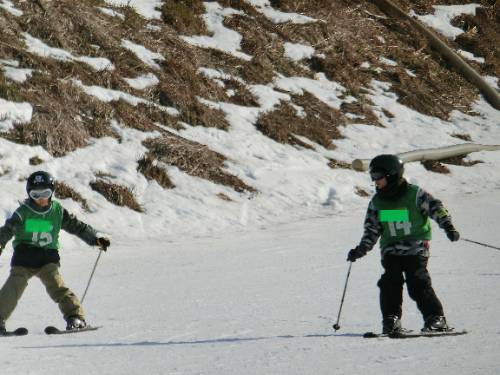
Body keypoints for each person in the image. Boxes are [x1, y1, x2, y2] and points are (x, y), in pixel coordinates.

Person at [347, 154, 460, 334]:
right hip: (391, 249)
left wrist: (447, 226)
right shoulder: (377, 203)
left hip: (416, 247)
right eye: (372, 177)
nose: (375, 182)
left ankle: (435, 318)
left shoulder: (414, 195)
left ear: (392, 175)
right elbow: (372, 230)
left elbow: (435, 207)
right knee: (389, 282)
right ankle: (391, 320)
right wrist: (360, 250)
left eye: (378, 177)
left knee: (417, 281)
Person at [0, 171, 110, 333]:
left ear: (52, 192)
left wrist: (95, 238)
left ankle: (75, 318)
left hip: (47, 259)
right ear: (29, 194)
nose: (41, 198)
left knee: (57, 287)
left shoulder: (57, 211)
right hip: (24, 258)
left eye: (45, 193)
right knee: (13, 287)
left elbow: (77, 226)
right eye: (35, 194)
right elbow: (7, 230)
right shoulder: (23, 213)